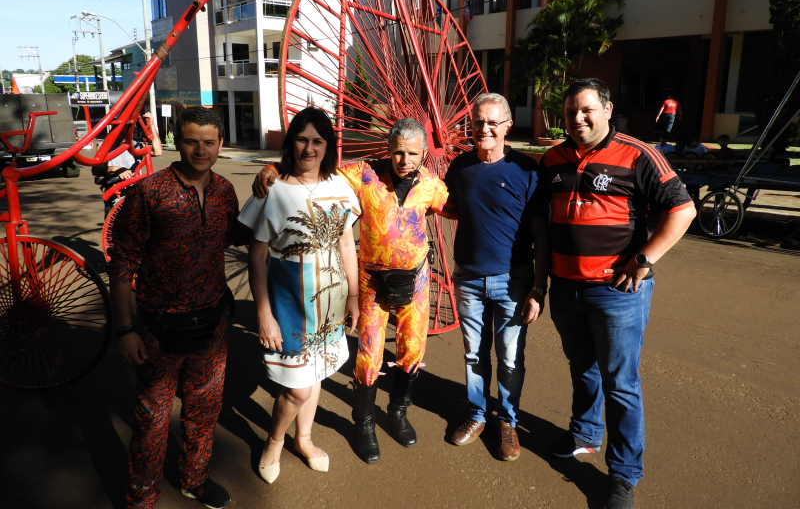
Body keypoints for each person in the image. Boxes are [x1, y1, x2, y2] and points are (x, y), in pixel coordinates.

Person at [532, 79, 696, 509]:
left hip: (616, 291)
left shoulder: (637, 154)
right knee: (582, 366)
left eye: (586, 110)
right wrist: (543, 281)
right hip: (567, 289)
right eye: (570, 113)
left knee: (621, 384)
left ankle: (623, 475)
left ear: (607, 109)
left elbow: (683, 209)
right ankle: (585, 433)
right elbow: (544, 225)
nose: (578, 119)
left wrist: (644, 260)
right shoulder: (552, 159)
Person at [252, 117, 451, 464]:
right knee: (369, 354)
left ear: (423, 155)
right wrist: (273, 167)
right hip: (372, 281)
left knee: (412, 350)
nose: (405, 160)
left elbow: (458, 208)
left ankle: (398, 413)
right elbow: (315, 168)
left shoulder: (432, 185)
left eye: (413, 154)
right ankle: (364, 422)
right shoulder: (363, 174)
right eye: (399, 152)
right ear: (388, 149)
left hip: (415, 281)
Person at [108, 106, 243, 509]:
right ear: (177, 142)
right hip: (157, 329)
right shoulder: (150, 193)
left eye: (208, 142)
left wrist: (266, 189)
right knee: (151, 421)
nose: (200, 150)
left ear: (219, 144)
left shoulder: (224, 191)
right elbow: (122, 263)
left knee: (204, 412)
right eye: (190, 141)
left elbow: (235, 234)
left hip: (211, 326)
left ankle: (194, 479)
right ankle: (141, 497)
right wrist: (124, 329)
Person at [239, 107, 361, 484]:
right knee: (297, 387)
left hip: (330, 301)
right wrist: (263, 314)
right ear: (291, 142)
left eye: (318, 141)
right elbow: (257, 258)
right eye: (302, 139)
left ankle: (303, 439)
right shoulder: (270, 190)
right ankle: (275, 442)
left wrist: (354, 296)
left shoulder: (340, 186)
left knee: (317, 373)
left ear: (328, 147)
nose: (309, 148)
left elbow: (346, 246)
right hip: (289, 301)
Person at [444, 92, 549, 462]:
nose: (483, 129)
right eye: (477, 122)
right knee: (474, 355)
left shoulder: (527, 171)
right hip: (469, 279)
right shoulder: (460, 168)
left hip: (513, 282)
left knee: (509, 358)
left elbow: (541, 235)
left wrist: (539, 286)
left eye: (492, 122)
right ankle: (476, 414)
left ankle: (507, 421)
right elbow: (443, 203)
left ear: (507, 125)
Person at [92, 111, 163, 216]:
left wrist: (151, 126)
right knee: (114, 228)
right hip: (116, 196)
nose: (123, 130)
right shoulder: (104, 146)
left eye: (127, 126)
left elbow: (158, 151)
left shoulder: (136, 145)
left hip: (136, 195)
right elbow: (95, 169)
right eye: (121, 126)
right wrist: (114, 168)